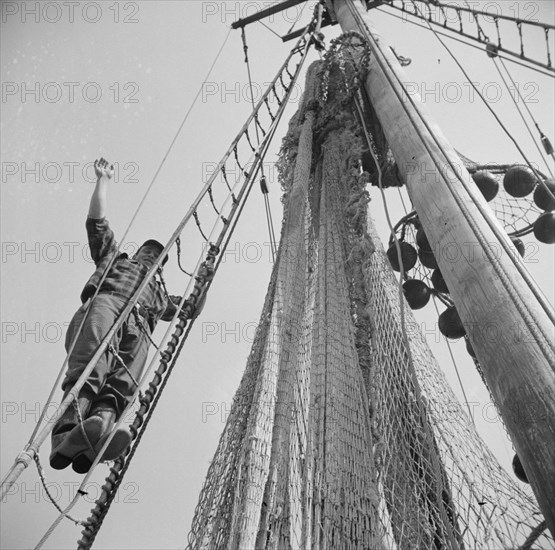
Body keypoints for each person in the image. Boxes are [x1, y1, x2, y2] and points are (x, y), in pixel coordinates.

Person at [50, 158, 181, 474]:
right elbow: (97, 222)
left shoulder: (161, 294)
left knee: (126, 379)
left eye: (158, 255)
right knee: (94, 361)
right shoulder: (116, 259)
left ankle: (99, 429)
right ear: (137, 253)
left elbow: (189, 307)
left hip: (140, 327)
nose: (152, 255)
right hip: (107, 304)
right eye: (148, 250)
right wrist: (103, 180)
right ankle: (67, 430)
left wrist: (205, 275)